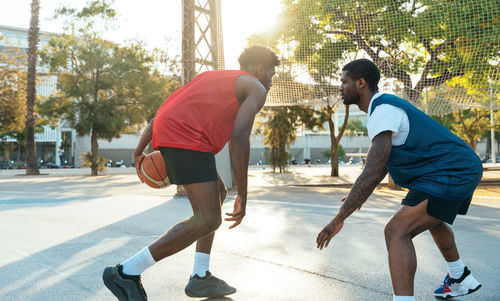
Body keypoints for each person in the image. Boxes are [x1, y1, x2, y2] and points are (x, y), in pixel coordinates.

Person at [102, 45, 279, 301]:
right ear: (260, 69)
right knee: (208, 219)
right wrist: (243, 193)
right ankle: (126, 272)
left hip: (175, 134)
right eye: (271, 75)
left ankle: (200, 276)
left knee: (216, 194)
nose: (271, 83)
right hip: (187, 138)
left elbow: (160, 115)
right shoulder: (255, 87)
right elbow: (240, 137)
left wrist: (138, 150)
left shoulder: (211, 78)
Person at [316, 59, 482, 301]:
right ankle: (459, 276)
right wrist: (357, 195)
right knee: (431, 218)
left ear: (361, 83)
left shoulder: (383, 109)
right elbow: (379, 166)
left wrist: (339, 218)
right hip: (446, 170)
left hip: (451, 171)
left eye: (344, 82)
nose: (340, 87)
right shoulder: (382, 109)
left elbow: (374, 169)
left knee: (396, 231)